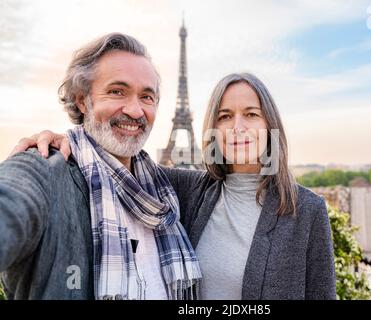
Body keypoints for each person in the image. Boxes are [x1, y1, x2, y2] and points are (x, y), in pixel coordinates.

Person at [12, 73, 336, 299]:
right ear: (212, 128)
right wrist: (66, 139)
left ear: (270, 124)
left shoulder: (307, 211)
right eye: (224, 116)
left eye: (251, 114)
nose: (237, 127)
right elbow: (115, 155)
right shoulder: (189, 190)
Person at [0, 33, 201, 300]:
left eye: (147, 97)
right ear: (82, 100)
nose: (135, 110)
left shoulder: (168, 189)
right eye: (117, 91)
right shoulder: (45, 171)